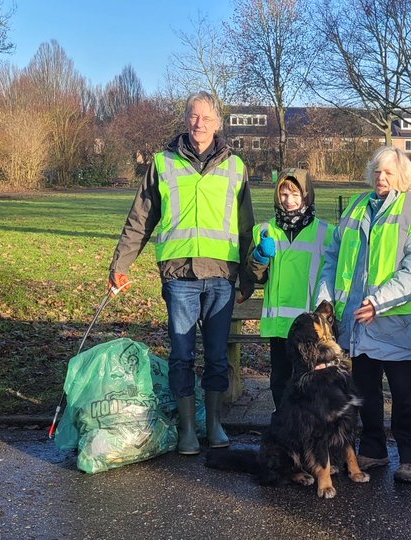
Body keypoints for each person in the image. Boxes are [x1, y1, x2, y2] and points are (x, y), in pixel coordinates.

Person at [108, 91, 257, 455]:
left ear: (219, 122)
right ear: (185, 119)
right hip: (180, 277)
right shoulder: (163, 162)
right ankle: (189, 429)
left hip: (222, 277)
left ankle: (215, 424)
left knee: (218, 356)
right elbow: (140, 218)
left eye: (206, 118)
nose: (199, 124)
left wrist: (249, 280)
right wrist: (120, 265)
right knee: (181, 355)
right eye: (193, 116)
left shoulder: (236, 167)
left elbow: (245, 228)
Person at [315, 146, 411, 484]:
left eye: (388, 172)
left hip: (395, 322)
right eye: (377, 172)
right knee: (364, 392)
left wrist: (378, 302)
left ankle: (410, 455)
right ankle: (374, 450)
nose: (381, 178)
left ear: (402, 176)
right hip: (358, 323)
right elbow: (332, 257)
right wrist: (325, 301)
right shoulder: (357, 207)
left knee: (404, 393)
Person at [249, 168, 333, 410]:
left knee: (311, 381)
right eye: (284, 194)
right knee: (280, 381)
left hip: (310, 326)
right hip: (280, 325)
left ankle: (310, 429)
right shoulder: (265, 231)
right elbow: (255, 274)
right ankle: (285, 425)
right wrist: (260, 256)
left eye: (295, 194)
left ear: (306, 196)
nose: (289, 200)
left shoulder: (325, 233)